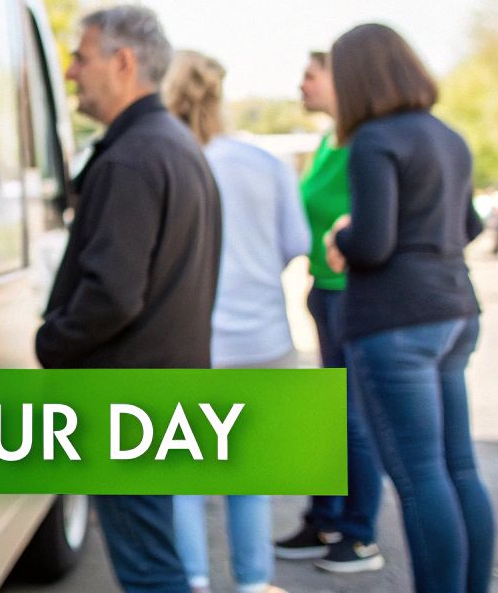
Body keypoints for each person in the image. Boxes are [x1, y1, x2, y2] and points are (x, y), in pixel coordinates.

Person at [37, 6, 221, 593]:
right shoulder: (173, 145)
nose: (69, 73)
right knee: (155, 556)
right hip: (162, 390)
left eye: (80, 57)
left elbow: (113, 294)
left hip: (130, 399)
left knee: (150, 571)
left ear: (122, 63)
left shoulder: (133, 157)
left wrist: (52, 339)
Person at [325, 23, 495, 593]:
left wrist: (341, 236)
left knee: (421, 477)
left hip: (395, 321)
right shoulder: (448, 136)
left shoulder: (374, 140)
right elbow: (468, 225)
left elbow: (373, 244)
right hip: (455, 309)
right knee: (459, 468)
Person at [163, 51, 302, 593]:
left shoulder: (167, 161)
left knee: (181, 480)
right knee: (250, 477)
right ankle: (252, 583)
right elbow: (296, 245)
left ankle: (191, 581)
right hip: (263, 337)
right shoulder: (264, 163)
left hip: (189, 343)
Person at [274, 51, 386, 572]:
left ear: (341, 82)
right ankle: (323, 519)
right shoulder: (326, 143)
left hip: (351, 293)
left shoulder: (366, 143)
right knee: (327, 411)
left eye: (310, 76)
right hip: (323, 289)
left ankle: (359, 534)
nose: (301, 85)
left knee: (353, 416)